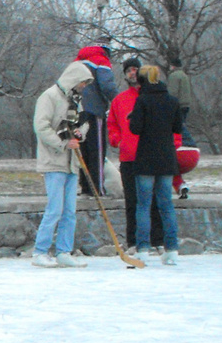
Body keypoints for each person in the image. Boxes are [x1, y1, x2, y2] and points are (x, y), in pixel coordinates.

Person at [31, 61, 93, 267]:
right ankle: (40, 251)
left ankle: (64, 251)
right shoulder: (49, 97)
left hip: (72, 163)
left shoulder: (76, 102)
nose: (84, 87)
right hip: (54, 162)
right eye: (82, 82)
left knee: (70, 211)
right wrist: (62, 144)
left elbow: (83, 124)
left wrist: (79, 134)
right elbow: (41, 126)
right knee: (55, 209)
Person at [106, 57, 164, 252]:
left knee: (154, 201)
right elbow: (112, 126)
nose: (132, 73)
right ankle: (133, 242)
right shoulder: (119, 100)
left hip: (152, 156)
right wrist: (117, 140)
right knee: (132, 201)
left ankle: (157, 241)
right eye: (129, 70)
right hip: (129, 158)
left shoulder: (155, 98)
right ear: (124, 74)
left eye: (135, 69)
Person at [128, 65, 182, 264]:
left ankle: (142, 248)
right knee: (166, 204)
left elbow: (135, 128)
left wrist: (133, 117)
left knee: (143, 205)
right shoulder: (172, 101)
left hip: (146, 158)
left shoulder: (142, 100)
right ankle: (172, 249)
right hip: (167, 158)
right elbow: (177, 127)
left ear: (142, 80)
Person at [72, 46, 117, 195]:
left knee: (83, 150)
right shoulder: (101, 61)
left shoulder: (77, 62)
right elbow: (106, 85)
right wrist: (118, 102)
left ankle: (85, 187)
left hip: (77, 111)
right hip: (95, 111)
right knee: (96, 151)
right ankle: (97, 189)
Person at [165, 54, 194, 197]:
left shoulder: (174, 76)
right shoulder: (184, 75)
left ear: (172, 65)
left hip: (178, 105)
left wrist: (169, 104)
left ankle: (182, 142)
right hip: (186, 104)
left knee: (179, 127)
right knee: (182, 125)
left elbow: (172, 92)